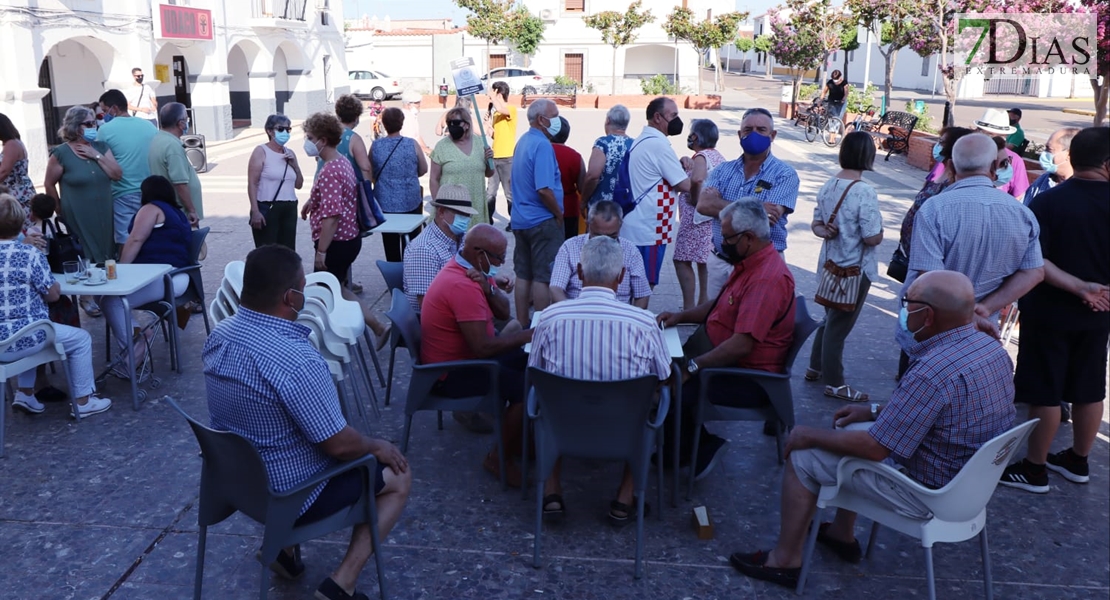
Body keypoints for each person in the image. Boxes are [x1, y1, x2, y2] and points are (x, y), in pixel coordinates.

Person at [729, 270, 1016, 590]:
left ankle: (784, 561)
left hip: (929, 493)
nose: (904, 309)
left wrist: (807, 435)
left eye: (909, 303)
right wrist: (873, 410)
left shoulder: (932, 371)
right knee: (858, 424)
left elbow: (876, 449)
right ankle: (841, 534)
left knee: (804, 455)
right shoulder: (990, 347)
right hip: (970, 486)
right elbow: (935, 411)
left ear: (929, 316)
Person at [203, 244, 411, 600]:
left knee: (275, 431)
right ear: (291, 297)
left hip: (235, 484)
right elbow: (340, 445)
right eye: (304, 287)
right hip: (287, 496)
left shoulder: (219, 335)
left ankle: (284, 555)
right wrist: (378, 446)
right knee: (398, 476)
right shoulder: (295, 358)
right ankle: (341, 584)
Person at [529, 235, 671, 525]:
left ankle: (552, 491)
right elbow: (663, 378)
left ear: (579, 274)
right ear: (621, 278)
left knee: (547, 398)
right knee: (653, 402)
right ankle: (624, 497)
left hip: (562, 424)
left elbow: (536, 374)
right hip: (625, 428)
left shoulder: (549, 318)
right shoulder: (645, 324)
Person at [1000, 126, 1110, 494]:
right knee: (1089, 387)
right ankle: (1078, 459)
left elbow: (1034, 259)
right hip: (1099, 315)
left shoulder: (1049, 202)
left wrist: (1079, 287)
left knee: (1045, 391)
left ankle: (1035, 467)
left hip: (1049, 310)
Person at [657, 199, 796, 480]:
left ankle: (701, 449)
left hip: (747, 378)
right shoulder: (749, 262)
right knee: (660, 369)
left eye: (727, 237)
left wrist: (692, 367)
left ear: (748, 238)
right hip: (723, 360)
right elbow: (719, 305)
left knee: (672, 387)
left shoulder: (766, 280)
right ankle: (676, 449)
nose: (722, 243)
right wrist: (680, 317)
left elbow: (742, 344)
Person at [420, 224, 533, 486]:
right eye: (498, 257)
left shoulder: (474, 270)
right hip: (451, 374)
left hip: (469, 359)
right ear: (479, 253)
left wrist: (489, 288)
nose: (502, 263)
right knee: (522, 385)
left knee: (531, 364)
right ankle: (499, 457)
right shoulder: (461, 284)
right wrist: (527, 335)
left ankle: (520, 440)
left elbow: (504, 313)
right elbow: (482, 348)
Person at [905, 133, 1043, 339]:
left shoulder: (935, 208)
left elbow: (932, 277)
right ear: (994, 167)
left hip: (936, 326)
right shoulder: (1023, 213)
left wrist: (967, 314)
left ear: (950, 166)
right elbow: (1033, 272)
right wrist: (984, 309)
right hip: (984, 329)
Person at [0, 194, 112, 418]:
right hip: (28, 336)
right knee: (79, 339)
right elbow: (52, 296)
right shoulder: (29, 253)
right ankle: (83, 400)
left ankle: (26, 393)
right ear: (21, 221)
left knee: (28, 330)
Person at [299, 112, 391, 347]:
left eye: (310, 137)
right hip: (349, 238)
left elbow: (332, 216)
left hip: (336, 243)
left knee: (325, 293)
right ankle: (374, 327)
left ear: (323, 139)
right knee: (337, 289)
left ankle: (340, 337)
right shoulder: (340, 162)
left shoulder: (330, 169)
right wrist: (314, 200)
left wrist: (321, 252)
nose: (307, 142)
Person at [806, 132, 884, 402]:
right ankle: (836, 384)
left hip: (829, 266)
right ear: (867, 156)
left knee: (829, 320)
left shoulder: (828, 185)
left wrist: (825, 231)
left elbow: (816, 224)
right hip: (853, 270)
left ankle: (815, 367)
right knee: (838, 328)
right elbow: (872, 237)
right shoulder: (864, 191)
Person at [697, 107, 800, 298]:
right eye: (748, 130)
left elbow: (767, 218)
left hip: (762, 266)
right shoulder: (723, 170)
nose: (754, 134)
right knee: (714, 322)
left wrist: (719, 203)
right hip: (721, 263)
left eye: (761, 130)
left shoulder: (785, 174)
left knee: (754, 324)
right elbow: (703, 205)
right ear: (739, 134)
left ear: (773, 135)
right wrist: (756, 207)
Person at [101, 175, 193, 374]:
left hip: (163, 277)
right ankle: (134, 349)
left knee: (110, 300)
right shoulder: (177, 213)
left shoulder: (151, 208)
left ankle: (136, 346)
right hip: (178, 275)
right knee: (114, 300)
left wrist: (121, 270)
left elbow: (135, 240)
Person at [623, 97, 691, 288]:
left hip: (641, 226)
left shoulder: (645, 140)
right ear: (657, 117)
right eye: (674, 115)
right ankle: (639, 317)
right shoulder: (657, 145)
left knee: (634, 285)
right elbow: (684, 185)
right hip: (650, 230)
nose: (678, 120)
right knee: (643, 287)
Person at [43, 105, 122, 265]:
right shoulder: (61, 153)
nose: (93, 127)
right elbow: (49, 184)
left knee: (107, 252)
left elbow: (116, 175)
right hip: (77, 213)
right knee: (85, 254)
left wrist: (96, 156)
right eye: (88, 124)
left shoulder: (101, 148)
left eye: (94, 123)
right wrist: (59, 209)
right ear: (75, 126)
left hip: (104, 212)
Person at [510, 99, 564, 327]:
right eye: (555, 115)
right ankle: (540, 329)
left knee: (524, 274)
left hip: (521, 220)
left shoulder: (523, 141)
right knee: (543, 277)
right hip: (542, 221)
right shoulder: (542, 145)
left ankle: (523, 325)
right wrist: (558, 214)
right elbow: (544, 188)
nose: (558, 119)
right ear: (542, 120)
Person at [549, 200, 650, 308]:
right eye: (598, 236)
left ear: (620, 226)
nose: (605, 242)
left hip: (618, 316)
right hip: (577, 312)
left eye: (612, 236)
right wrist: (570, 313)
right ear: (588, 225)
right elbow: (556, 288)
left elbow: (642, 294)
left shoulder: (631, 251)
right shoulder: (570, 247)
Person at [674, 119, 726, 310]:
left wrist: (696, 201)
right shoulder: (717, 156)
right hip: (709, 219)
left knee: (682, 259)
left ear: (696, 136)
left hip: (695, 220)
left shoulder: (701, 157)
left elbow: (697, 179)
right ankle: (703, 304)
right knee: (703, 261)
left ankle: (689, 307)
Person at [402, 184, 476, 312]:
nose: (465, 219)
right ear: (441, 212)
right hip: (444, 320)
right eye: (460, 214)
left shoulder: (461, 237)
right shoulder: (423, 250)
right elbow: (428, 306)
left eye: (467, 215)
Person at [97, 89, 158, 242]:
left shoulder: (105, 130)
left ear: (115, 108)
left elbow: (101, 160)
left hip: (123, 192)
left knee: (126, 239)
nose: (104, 115)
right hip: (150, 190)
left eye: (105, 110)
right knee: (149, 236)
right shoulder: (148, 126)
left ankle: (127, 265)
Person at [371, 107, 428, 262]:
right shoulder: (412, 144)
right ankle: (409, 274)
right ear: (401, 123)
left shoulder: (376, 146)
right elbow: (423, 169)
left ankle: (393, 274)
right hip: (411, 200)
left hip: (384, 202)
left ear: (384, 124)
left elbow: (371, 173)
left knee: (390, 243)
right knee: (412, 242)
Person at [430, 106, 493, 231]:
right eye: (449, 123)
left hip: (476, 205)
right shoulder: (441, 147)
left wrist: (489, 160)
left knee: (474, 247)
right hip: (451, 207)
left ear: (467, 125)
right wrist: (440, 206)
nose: (452, 126)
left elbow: (489, 173)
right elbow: (433, 179)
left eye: (457, 123)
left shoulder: (480, 143)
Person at [247, 114, 304, 250]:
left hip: (289, 207)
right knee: (268, 251)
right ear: (269, 131)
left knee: (288, 251)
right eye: (280, 129)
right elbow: (252, 183)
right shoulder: (261, 151)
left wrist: (295, 165)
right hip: (268, 207)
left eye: (288, 129)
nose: (285, 132)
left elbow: (299, 185)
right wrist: (255, 211)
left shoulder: (290, 153)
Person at [147, 102, 202, 227]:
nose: (187, 122)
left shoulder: (159, 138)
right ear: (180, 123)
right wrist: (192, 210)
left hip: (169, 207)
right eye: (186, 119)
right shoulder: (172, 146)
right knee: (194, 245)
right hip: (180, 211)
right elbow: (180, 183)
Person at [581, 104, 633, 210]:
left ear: (608, 121)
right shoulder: (635, 145)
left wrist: (583, 201)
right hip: (627, 205)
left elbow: (593, 175)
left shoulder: (603, 143)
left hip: (602, 208)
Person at [971, 109, 1028, 199]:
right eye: (990, 134)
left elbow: (1019, 195)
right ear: (978, 132)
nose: (995, 141)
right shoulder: (965, 154)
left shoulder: (1015, 160)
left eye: (1001, 136)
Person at [484, 81, 517, 225]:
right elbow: (494, 135)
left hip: (507, 157)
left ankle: (514, 221)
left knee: (509, 193)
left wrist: (493, 97)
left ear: (499, 92)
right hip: (494, 156)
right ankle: (488, 218)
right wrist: (487, 124)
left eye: (493, 92)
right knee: (490, 192)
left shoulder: (510, 109)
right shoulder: (496, 113)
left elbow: (501, 108)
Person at [1023, 126, 1081, 206]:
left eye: (1049, 149)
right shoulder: (1043, 180)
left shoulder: (1082, 189)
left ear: (1069, 154)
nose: (1044, 154)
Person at [550, 116, 585, 238]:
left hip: (546, 207)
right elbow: (582, 187)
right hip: (569, 208)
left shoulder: (542, 151)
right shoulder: (575, 156)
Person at [0, 113, 37, 217]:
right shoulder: (15, 142)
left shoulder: (11, 144)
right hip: (20, 189)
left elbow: (4, 171)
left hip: (16, 191)